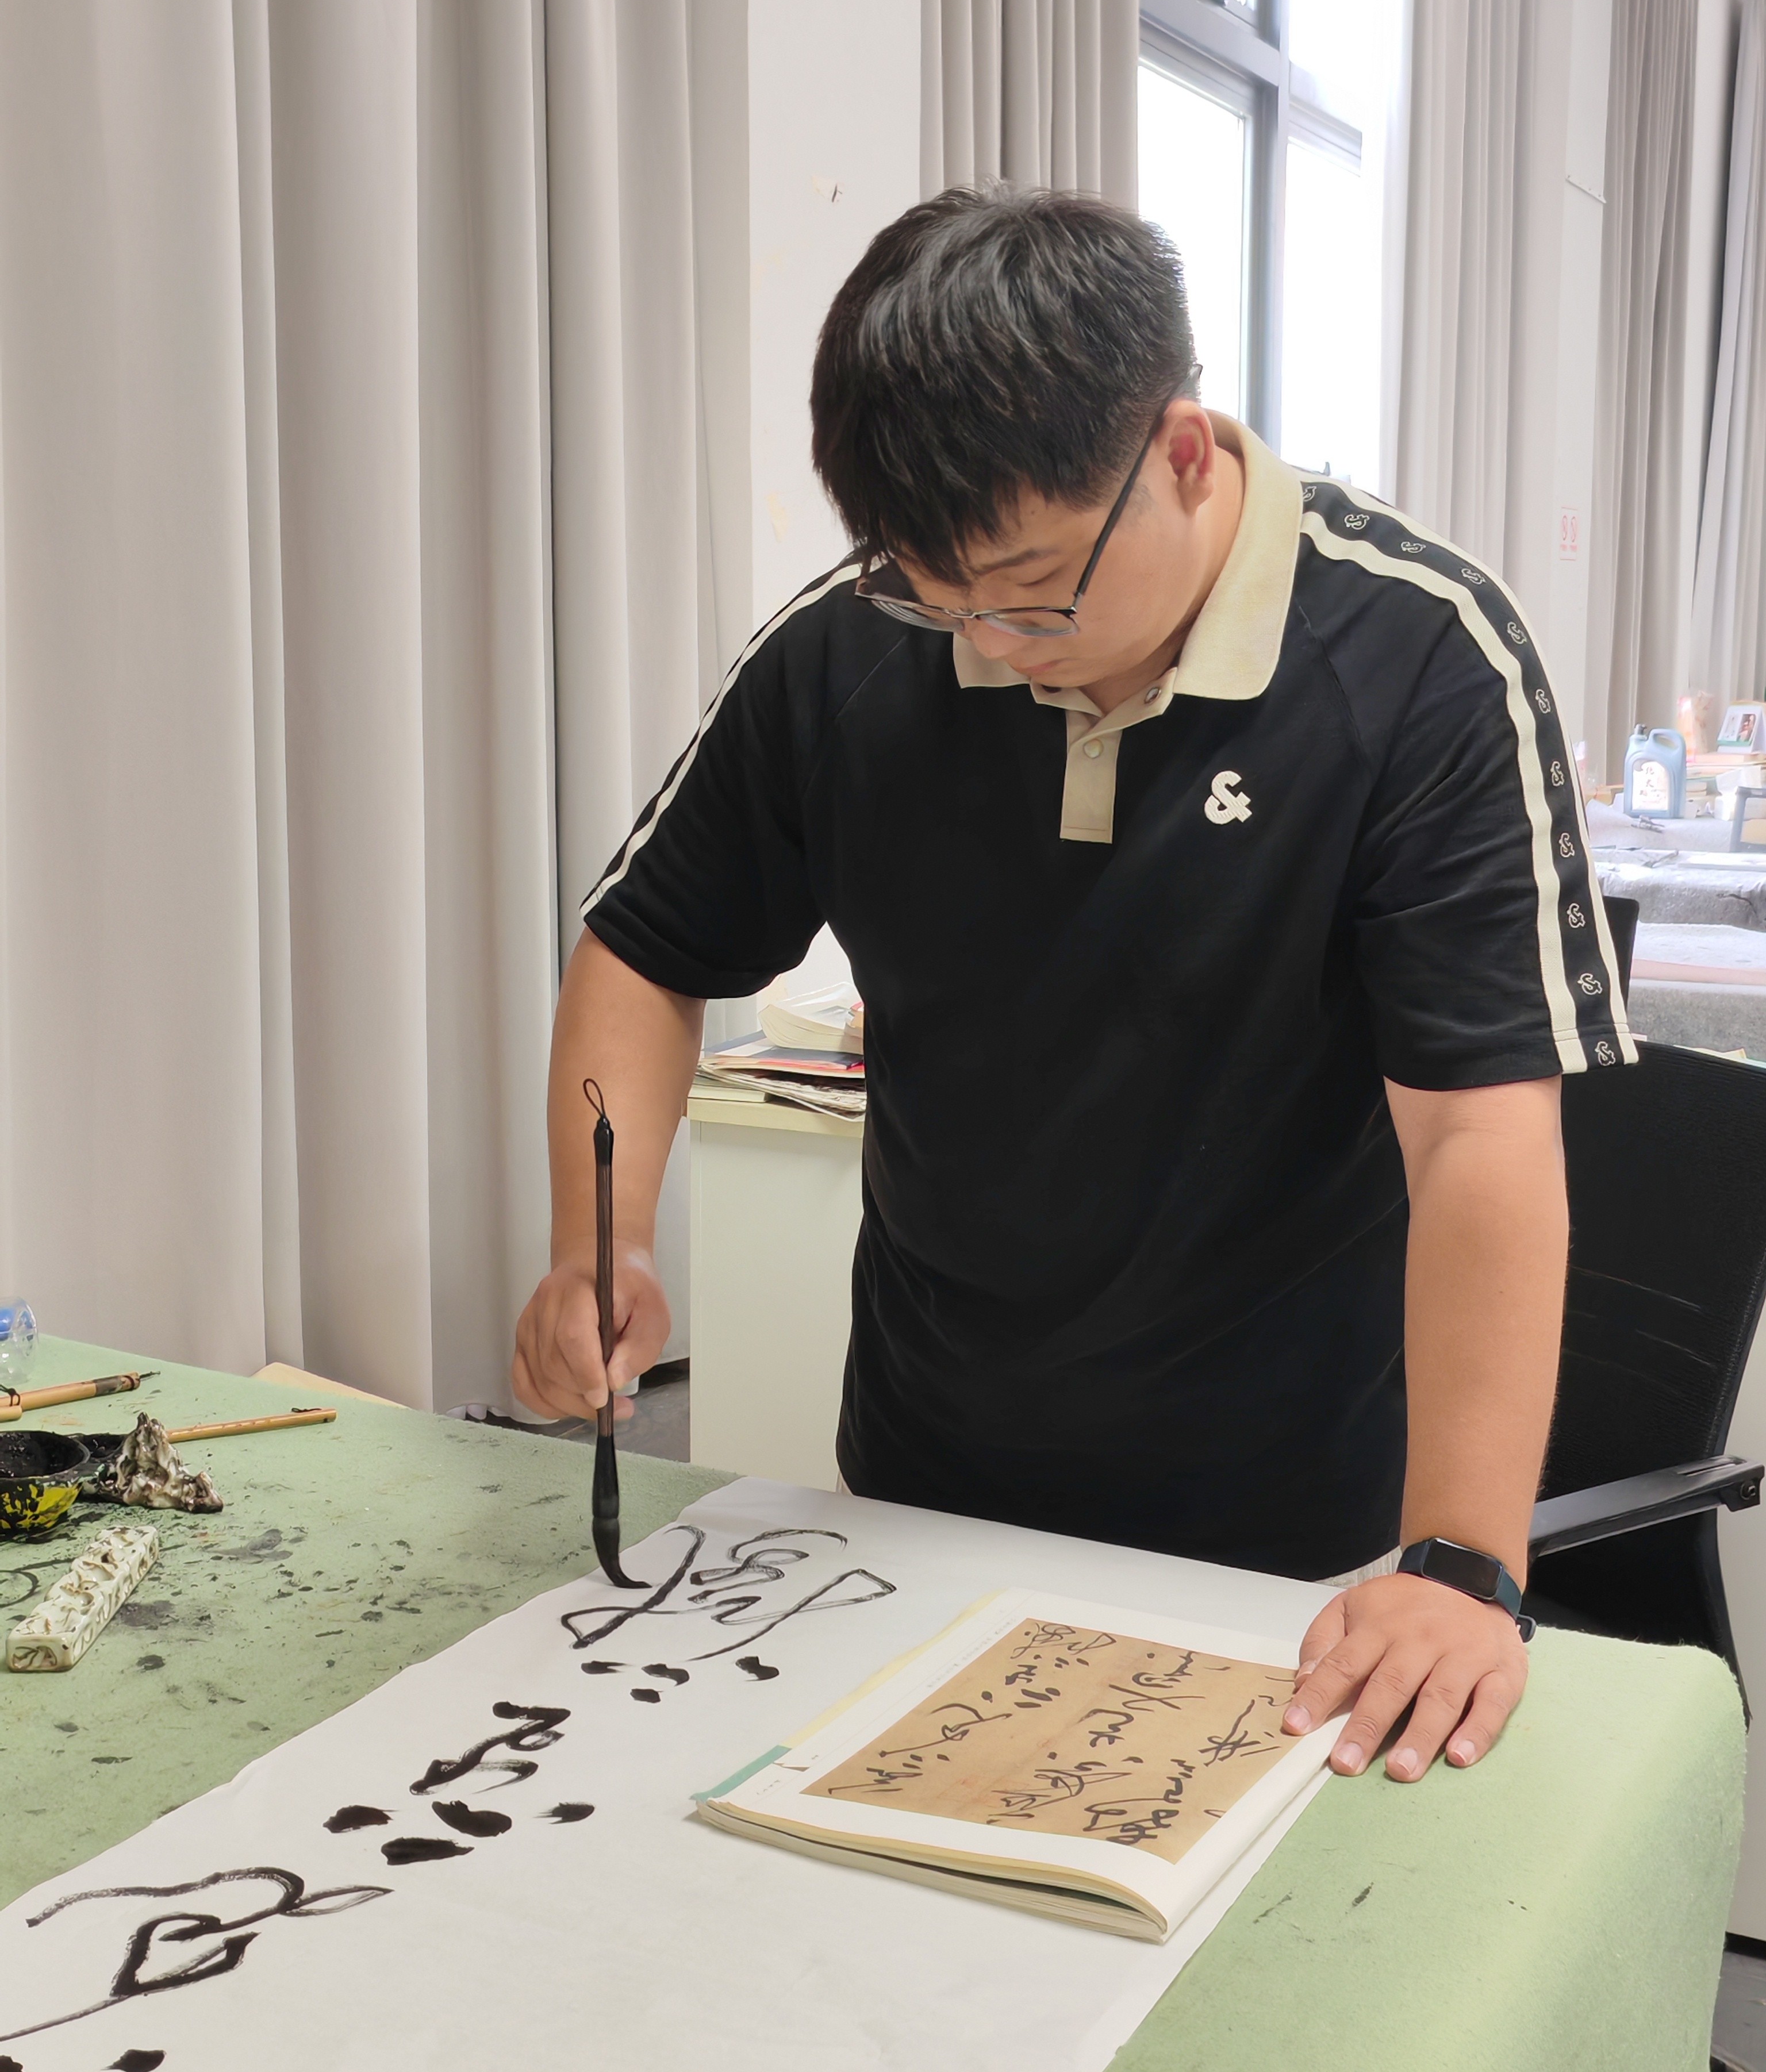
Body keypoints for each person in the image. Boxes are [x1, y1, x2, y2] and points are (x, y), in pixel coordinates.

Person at [515, 185, 1633, 1785]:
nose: (990, 638)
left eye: (1033, 585)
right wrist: (601, 1239)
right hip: (918, 1489)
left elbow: (1480, 1136)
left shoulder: (1421, 661)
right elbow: (646, 947)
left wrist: (1460, 1558)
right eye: (932, 589)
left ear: (1181, 454)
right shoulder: (857, 650)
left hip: (1291, 1540)